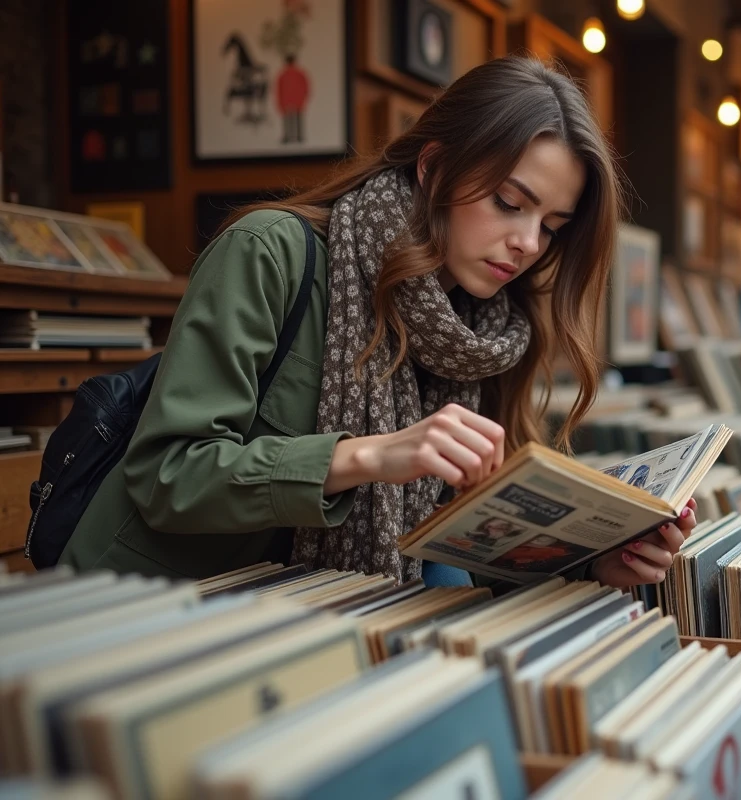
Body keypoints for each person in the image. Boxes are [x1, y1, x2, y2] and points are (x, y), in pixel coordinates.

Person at [58, 56, 697, 590]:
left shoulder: (491, 331)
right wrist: (367, 456)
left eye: (551, 227)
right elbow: (170, 475)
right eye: (509, 203)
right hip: (156, 614)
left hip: (324, 625)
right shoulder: (271, 253)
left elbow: (466, 542)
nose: (528, 242)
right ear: (433, 168)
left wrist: (589, 563)